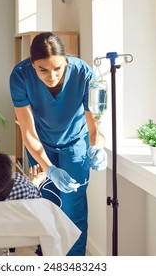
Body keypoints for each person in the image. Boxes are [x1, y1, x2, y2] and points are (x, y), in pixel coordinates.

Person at [9, 32, 107, 256]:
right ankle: (49, 257)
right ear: (32, 65)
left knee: (74, 208)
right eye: (42, 69)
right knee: (46, 203)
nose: (51, 76)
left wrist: (97, 148)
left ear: (66, 61)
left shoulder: (83, 73)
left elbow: (94, 127)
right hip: (40, 145)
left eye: (58, 68)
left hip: (75, 144)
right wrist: (49, 168)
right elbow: (27, 131)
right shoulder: (20, 76)